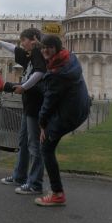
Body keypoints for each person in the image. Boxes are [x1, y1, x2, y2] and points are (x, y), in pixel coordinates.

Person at [0, 28, 46, 195]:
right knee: (23, 143)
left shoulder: (37, 53)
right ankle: (19, 176)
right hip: (29, 106)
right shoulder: (29, 55)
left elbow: (40, 73)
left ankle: (35, 184)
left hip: (36, 106)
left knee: (34, 146)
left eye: (24, 41)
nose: (22, 44)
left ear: (33, 39)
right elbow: (14, 49)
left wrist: (24, 86)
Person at [35, 35, 90, 207]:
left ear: (57, 49)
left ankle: (57, 193)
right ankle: (56, 191)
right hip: (81, 109)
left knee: (46, 148)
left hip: (68, 115)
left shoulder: (57, 74)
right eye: (43, 47)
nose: (45, 50)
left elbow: (48, 103)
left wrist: (42, 125)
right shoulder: (70, 58)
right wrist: (42, 44)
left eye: (49, 47)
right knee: (48, 147)